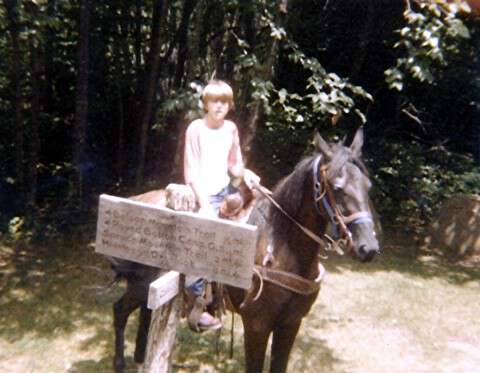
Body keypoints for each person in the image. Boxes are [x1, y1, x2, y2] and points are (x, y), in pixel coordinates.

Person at [183, 79, 259, 331]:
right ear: (206, 103)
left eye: (224, 102)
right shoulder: (196, 128)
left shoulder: (231, 129)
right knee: (203, 238)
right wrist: (204, 204)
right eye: (214, 101)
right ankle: (197, 304)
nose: (219, 106)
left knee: (255, 217)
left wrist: (247, 174)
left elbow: (234, 165)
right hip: (201, 193)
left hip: (225, 190)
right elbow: (191, 172)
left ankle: (233, 290)